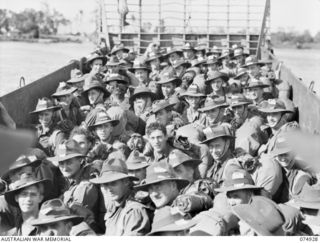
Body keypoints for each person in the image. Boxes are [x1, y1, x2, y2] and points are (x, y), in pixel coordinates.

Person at [90, 157, 151, 235]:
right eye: (105, 184)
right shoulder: (115, 207)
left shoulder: (134, 211)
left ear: (126, 182)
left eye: (113, 183)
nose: (108, 189)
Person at [51, 140, 101, 233]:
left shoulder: (85, 186)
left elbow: (76, 220)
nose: (64, 168)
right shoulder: (73, 182)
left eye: (69, 162)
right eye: (61, 163)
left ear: (80, 160)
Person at [168, 149, 214, 215]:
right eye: (172, 174)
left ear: (190, 170)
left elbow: (201, 198)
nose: (175, 177)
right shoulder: (177, 192)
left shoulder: (201, 186)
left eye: (178, 171)